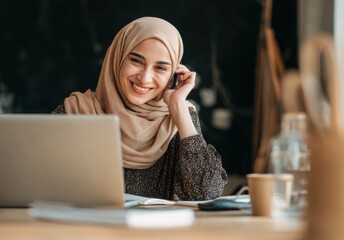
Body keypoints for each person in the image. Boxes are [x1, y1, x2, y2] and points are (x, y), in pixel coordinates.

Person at [52, 16, 227, 201]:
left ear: (172, 75)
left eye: (160, 68)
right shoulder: (75, 113)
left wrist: (178, 107)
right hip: (81, 227)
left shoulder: (176, 120)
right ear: (117, 58)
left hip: (151, 230)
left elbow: (205, 193)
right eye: (136, 61)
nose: (145, 78)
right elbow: (37, 184)